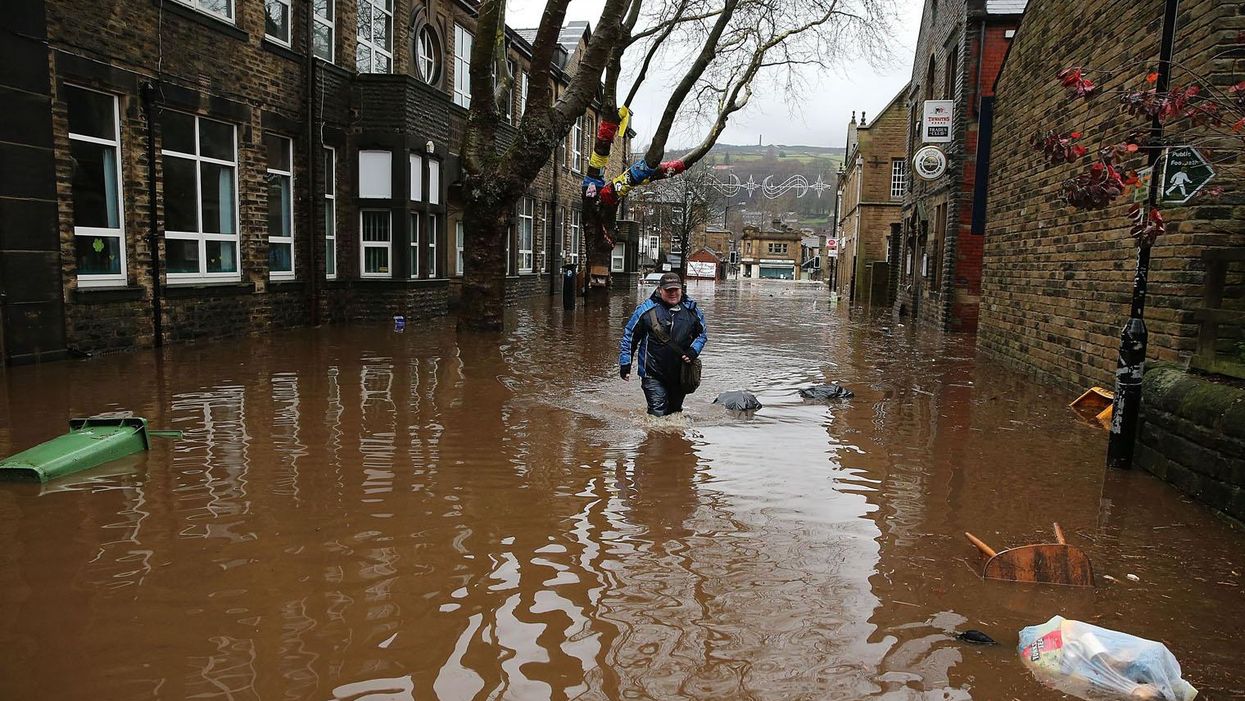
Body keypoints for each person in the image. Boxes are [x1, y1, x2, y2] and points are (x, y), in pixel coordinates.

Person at [619, 272, 708, 416]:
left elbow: (702, 334)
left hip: (680, 374)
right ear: (660, 290)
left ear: (681, 289)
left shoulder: (692, 310)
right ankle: (654, 437)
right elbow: (629, 336)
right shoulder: (646, 310)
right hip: (652, 373)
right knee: (657, 414)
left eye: (676, 290)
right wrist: (625, 364)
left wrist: (693, 351)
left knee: (675, 413)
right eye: (668, 290)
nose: (673, 293)